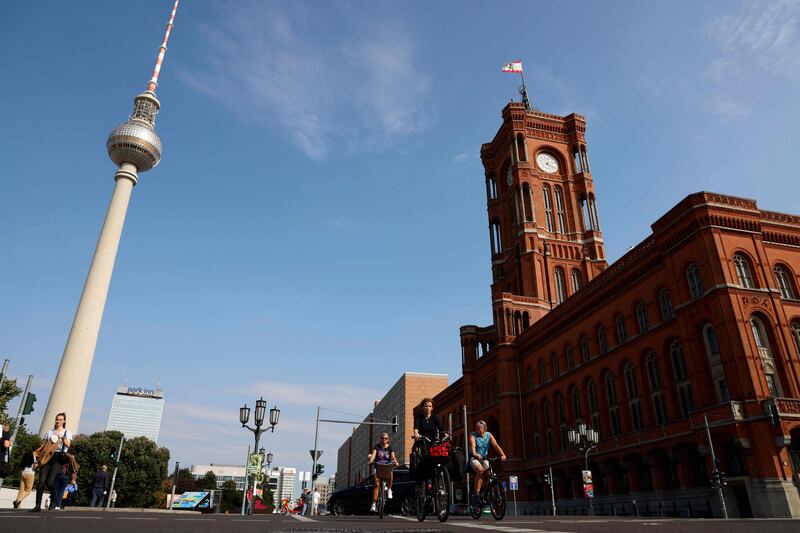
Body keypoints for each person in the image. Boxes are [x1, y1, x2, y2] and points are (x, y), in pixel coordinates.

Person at [31, 412, 72, 512]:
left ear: (64, 421)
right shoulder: (49, 432)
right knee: (41, 482)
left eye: (60, 419)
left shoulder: (66, 432)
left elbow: (68, 445)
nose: (58, 421)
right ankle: (37, 506)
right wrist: (37, 459)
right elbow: (43, 446)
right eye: (57, 419)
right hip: (47, 457)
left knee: (50, 482)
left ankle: (54, 499)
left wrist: (62, 437)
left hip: (58, 458)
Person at [468, 420, 506, 503]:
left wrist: (502, 455)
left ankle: (487, 493)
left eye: (479, 428)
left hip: (485, 458)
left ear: (484, 428)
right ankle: (476, 494)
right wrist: (475, 454)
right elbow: (473, 446)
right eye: (476, 428)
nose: (477, 429)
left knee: (489, 474)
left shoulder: (488, 435)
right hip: (475, 459)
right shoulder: (472, 435)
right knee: (480, 470)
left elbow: (495, 445)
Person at [368, 432, 399, 513]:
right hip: (378, 466)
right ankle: (374, 504)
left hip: (387, 466)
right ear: (380, 439)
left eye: (386, 438)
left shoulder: (390, 448)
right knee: (377, 484)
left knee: (391, 474)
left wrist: (395, 462)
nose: (384, 440)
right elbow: (374, 454)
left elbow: (393, 456)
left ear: (388, 440)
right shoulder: (377, 446)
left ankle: (389, 489)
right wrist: (371, 460)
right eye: (382, 438)